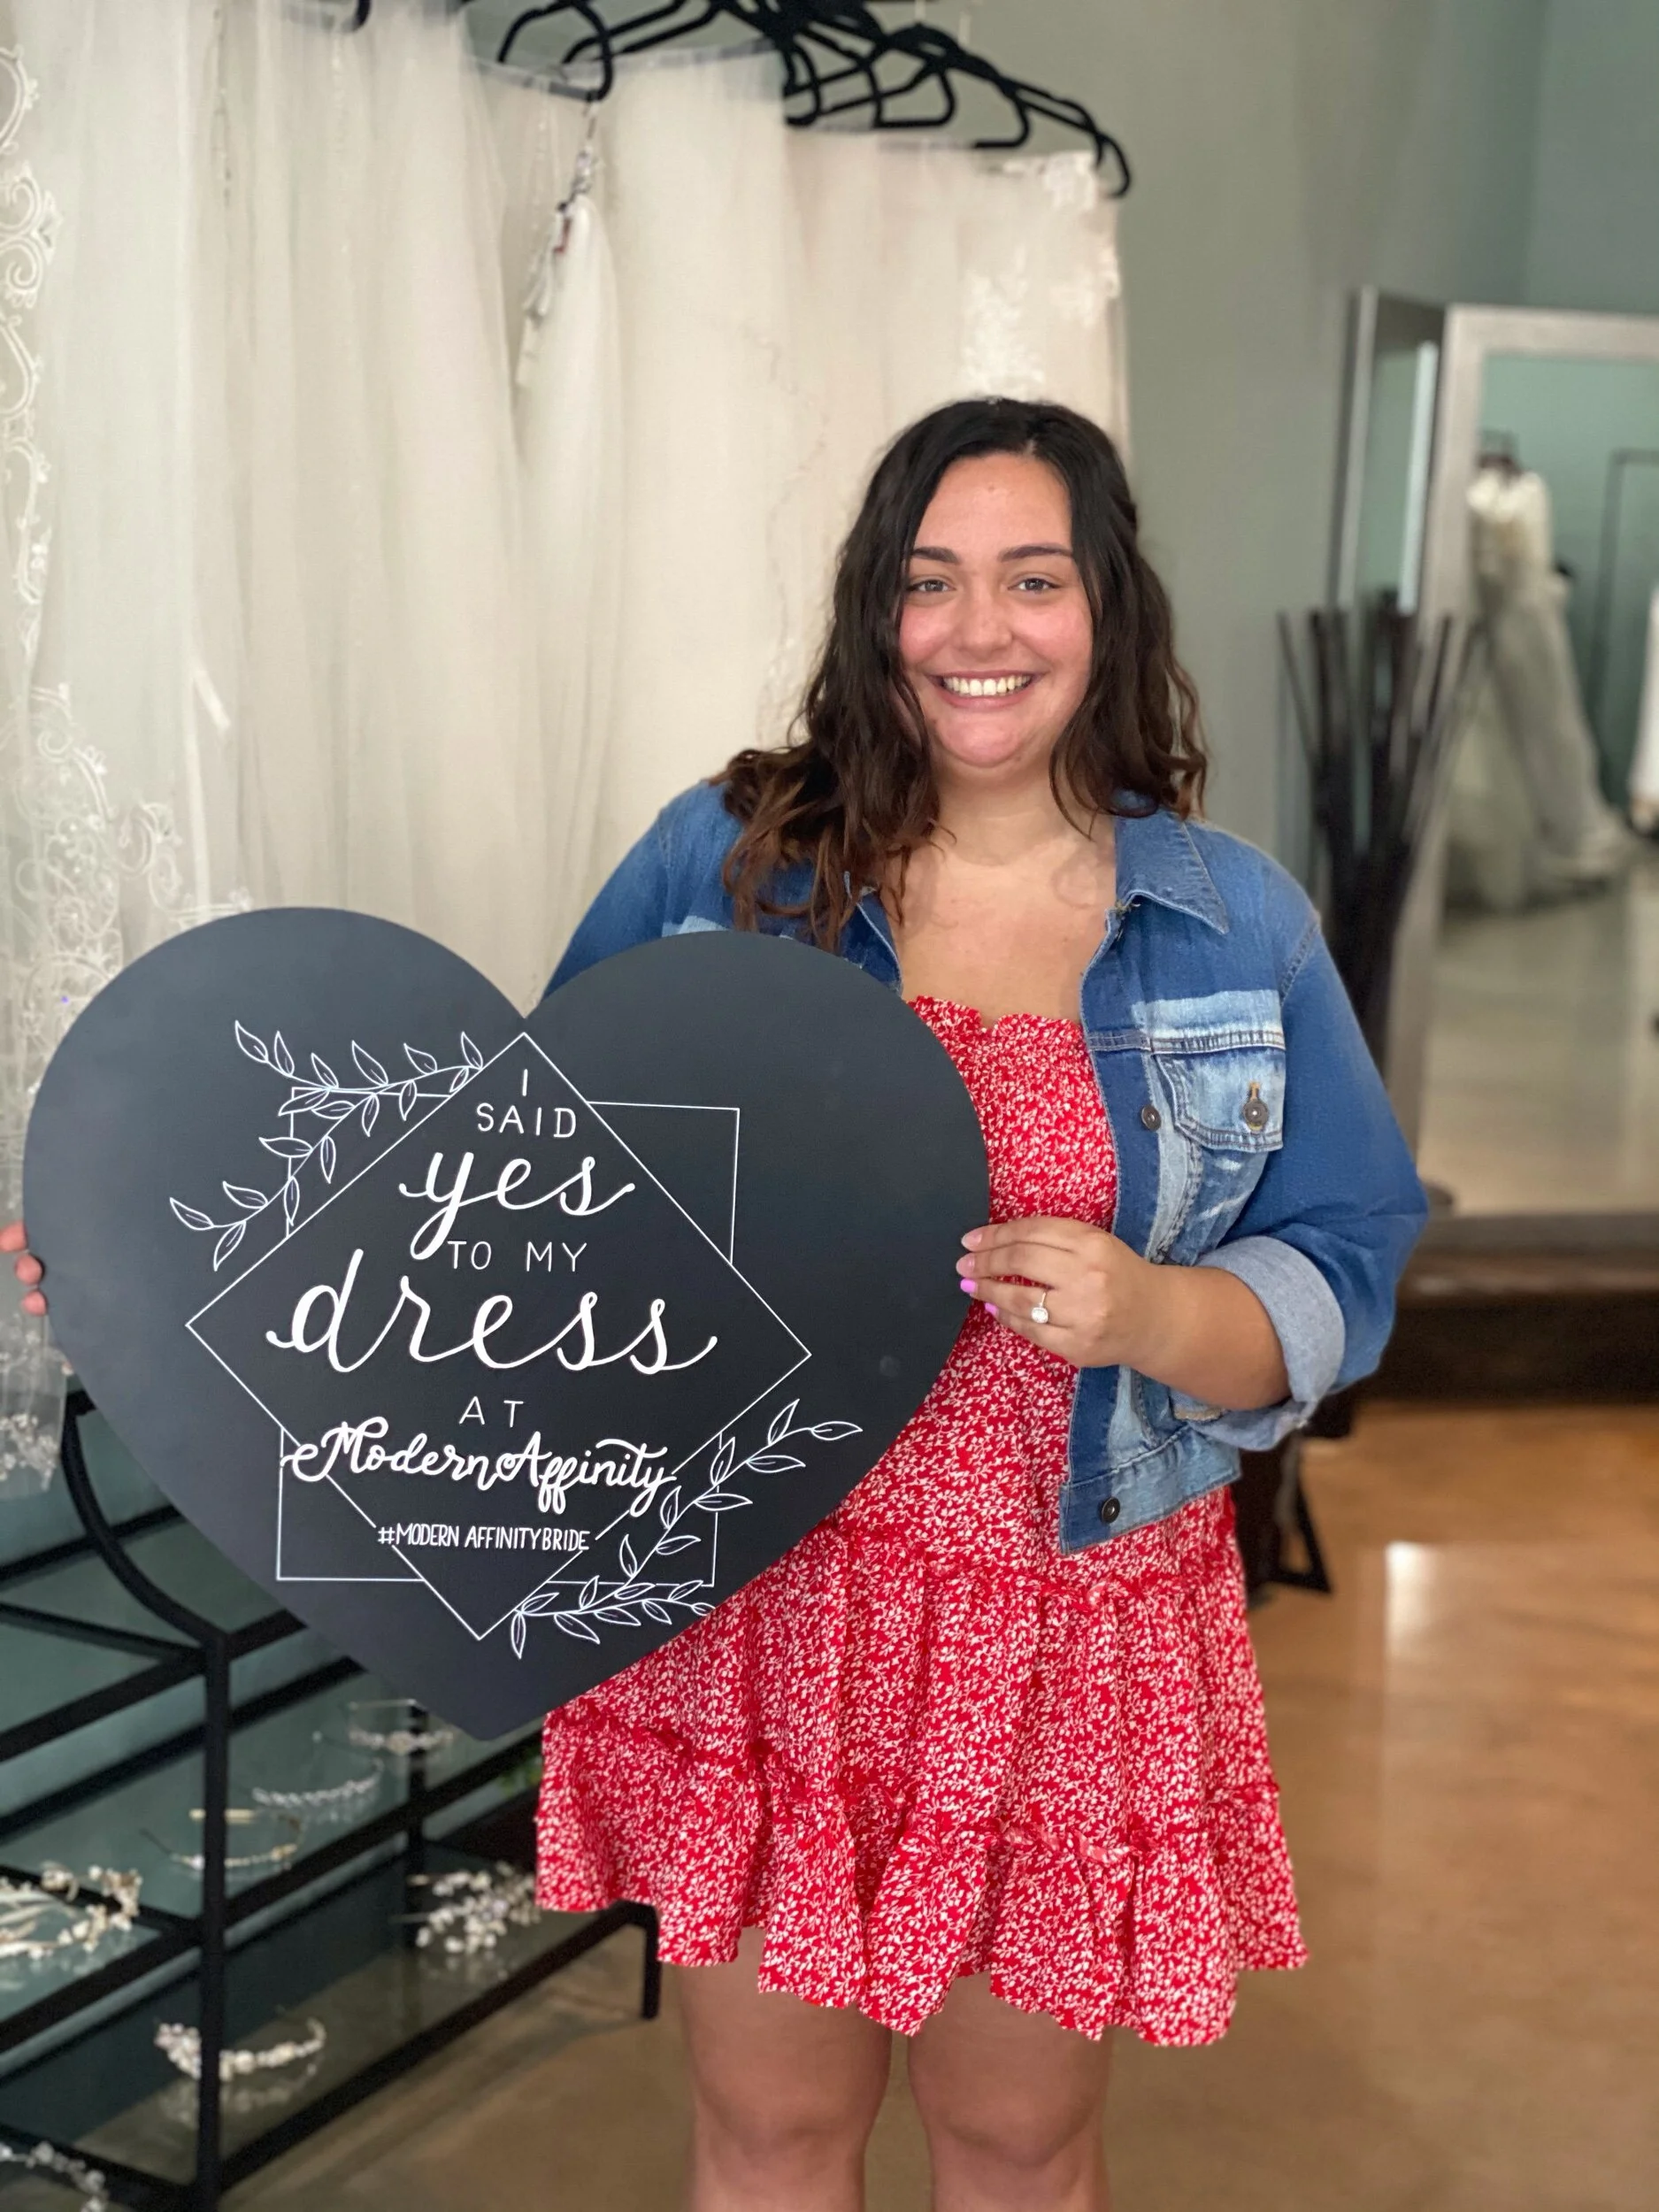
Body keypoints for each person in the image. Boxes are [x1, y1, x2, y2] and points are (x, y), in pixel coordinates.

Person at [6, 396, 1425, 2212]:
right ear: (872, 608)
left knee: (1015, 2142)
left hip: (1057, 1630)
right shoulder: (731, 856)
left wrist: (1158, 1312)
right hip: (757, 1603)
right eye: (929, 580)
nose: (977, 629)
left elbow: (1346, 1254)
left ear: (1109, 607)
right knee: (766, 2139)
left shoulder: (1233, 924)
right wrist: (158, 1245)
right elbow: (501, 1195)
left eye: (1031, 577)